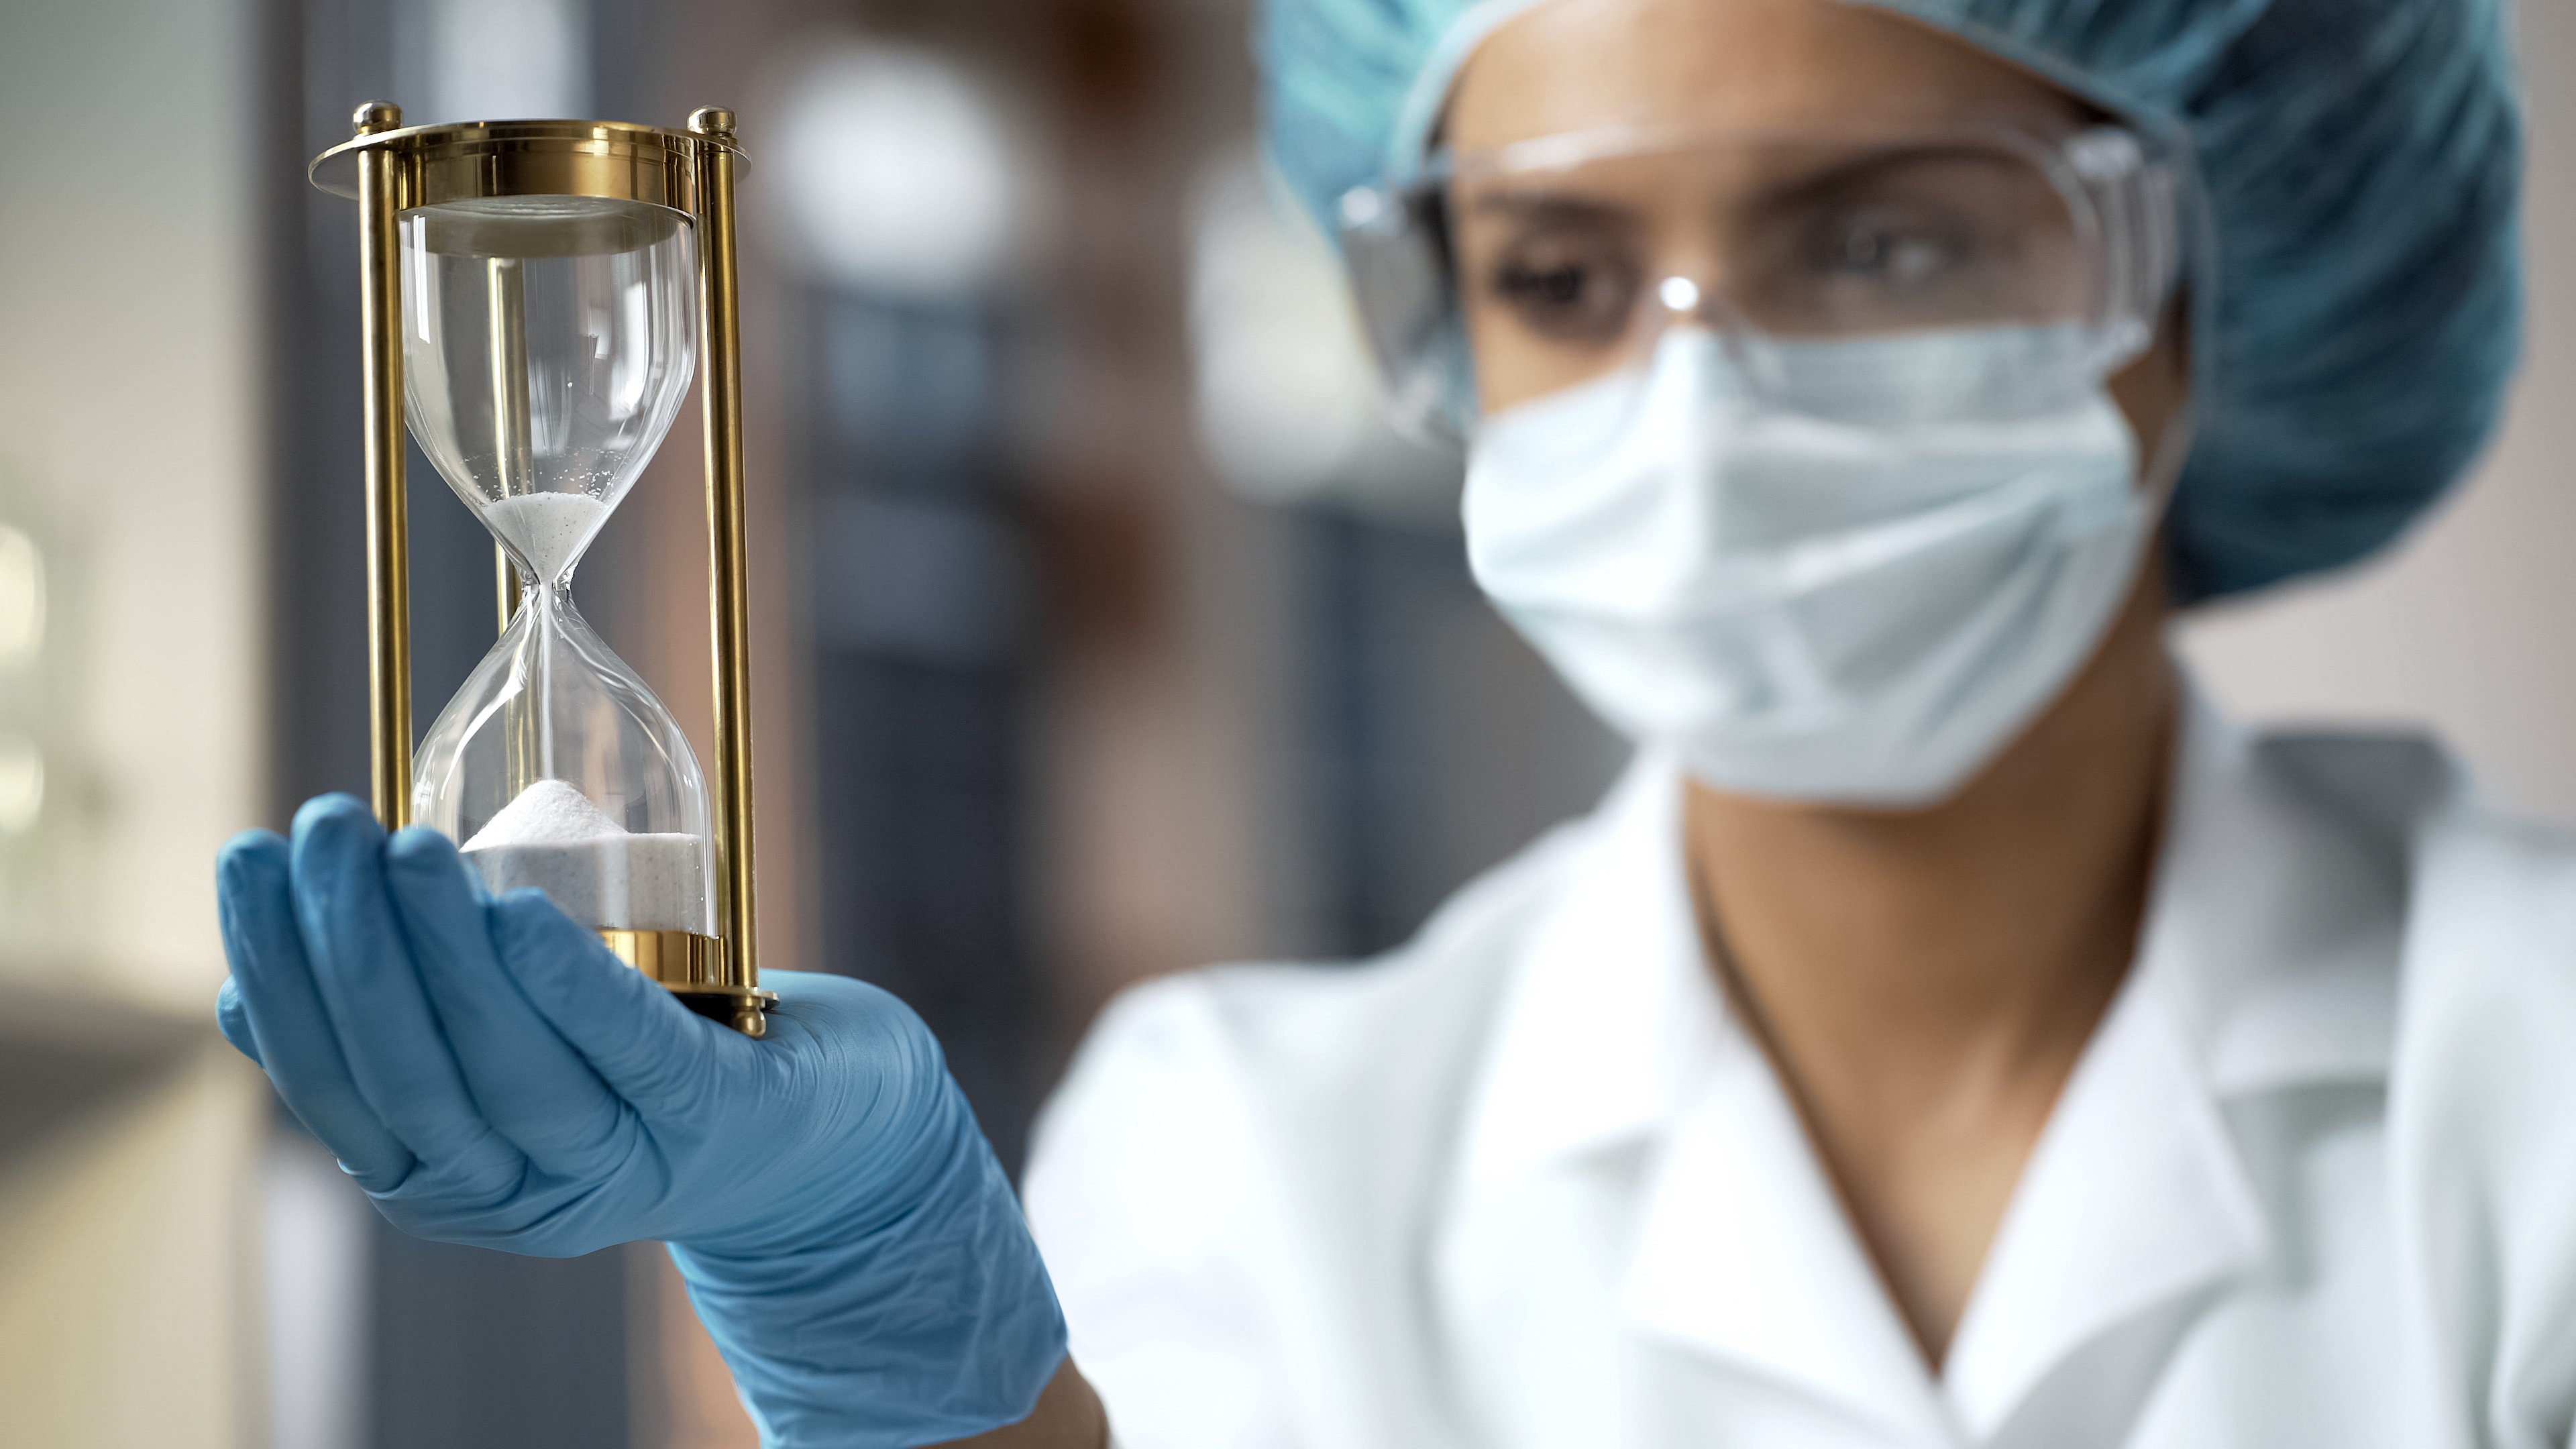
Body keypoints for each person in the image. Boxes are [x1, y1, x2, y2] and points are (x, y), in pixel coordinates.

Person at [211, 0, 2557, 1444]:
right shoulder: (1252, 1139)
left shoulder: (2529, 1064)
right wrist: (903, 1367)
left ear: (2213, 279)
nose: (1697, 392)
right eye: (1554, 272)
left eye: (1884, 239)